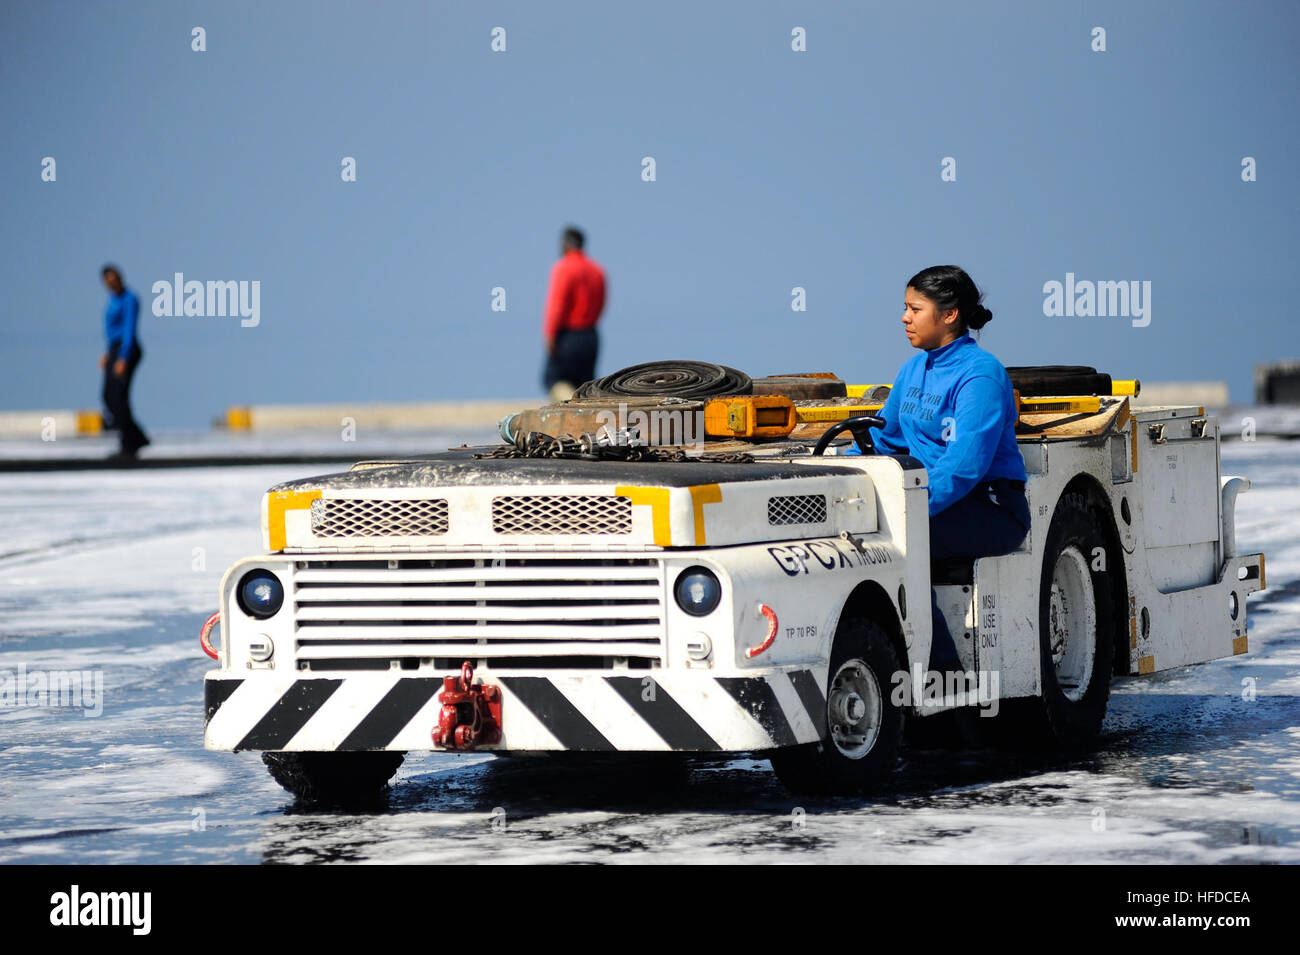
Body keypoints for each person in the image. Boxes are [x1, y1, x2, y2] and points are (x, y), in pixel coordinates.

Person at [852, 265, 1029, 671]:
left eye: (915, 308)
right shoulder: (913, 370)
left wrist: (908, 510)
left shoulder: (980, 374)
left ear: (949, 315)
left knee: (899, 546)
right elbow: (884, 439)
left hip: (989, 508)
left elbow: (964, 467)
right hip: (926, 502)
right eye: (905, 308)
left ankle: (941, 675)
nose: (904, 317)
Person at [542, 226, 606, 401]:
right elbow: (602, 302)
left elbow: (558, 304)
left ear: (565, 244)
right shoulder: (597, 269)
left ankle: (570, 414)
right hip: (590, 334)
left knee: (554, 379)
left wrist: (550, 335)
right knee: (585, 384)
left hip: (569, 336)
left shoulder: (564, 267)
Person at [100, 264, 149, 458]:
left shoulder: (130, 299)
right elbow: (110, 329)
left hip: (126, 349)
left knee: (119, 396)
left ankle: (130, 441)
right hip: (114, 349)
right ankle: (135, 436)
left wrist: (123, 357)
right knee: (108, 396)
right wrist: (106, 352)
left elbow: (129, 329)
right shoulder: (112, 300)